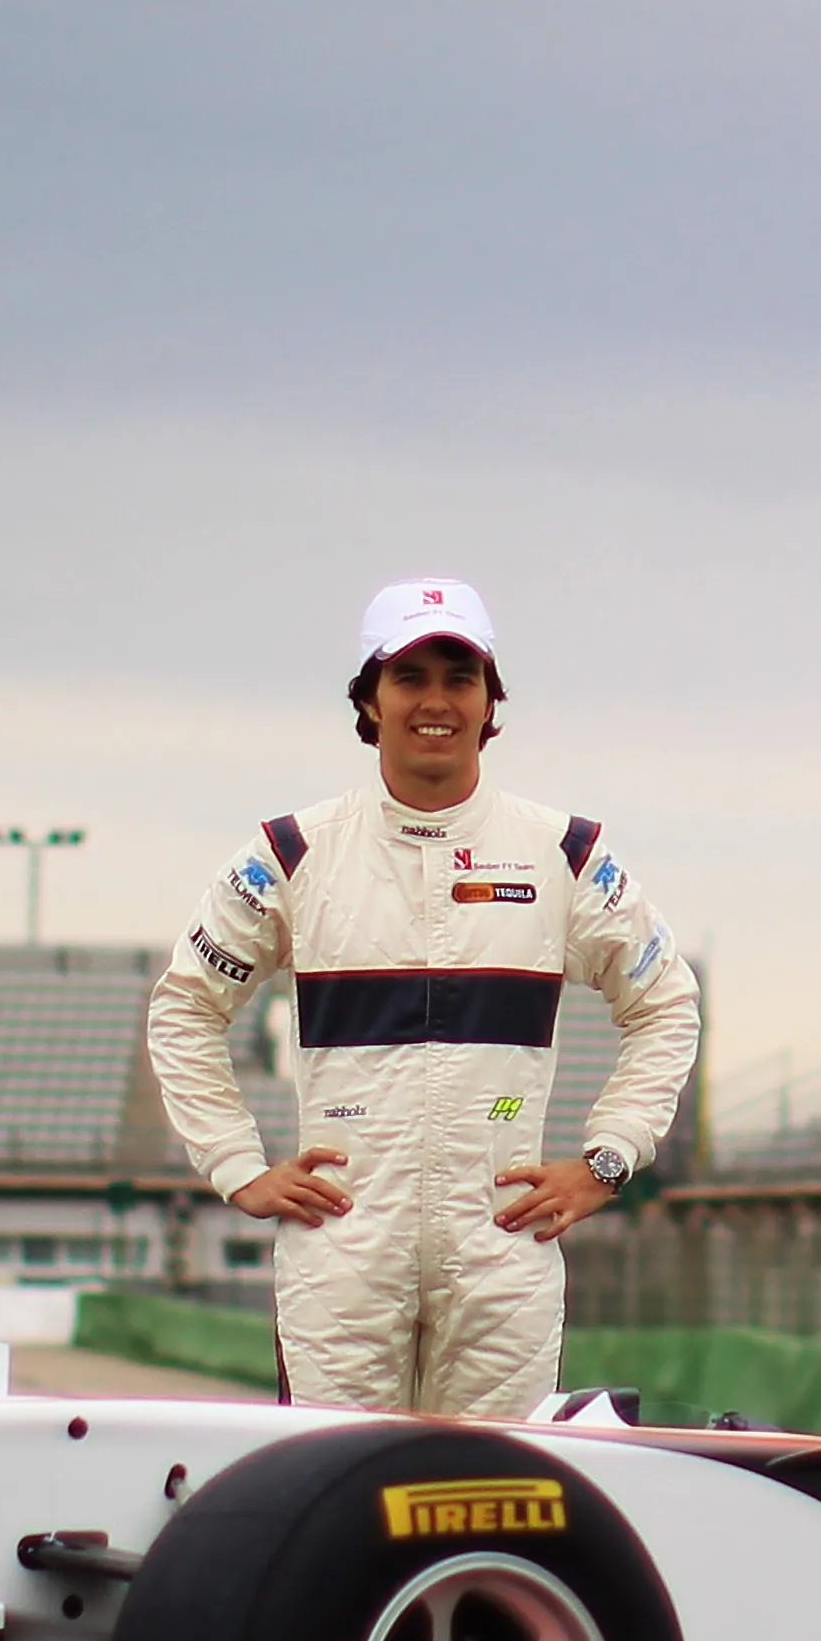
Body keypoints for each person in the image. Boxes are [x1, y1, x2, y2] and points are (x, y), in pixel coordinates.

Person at [141, 577, 703, 1417]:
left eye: (459, 676)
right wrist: (237, 1167)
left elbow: (666, 1005)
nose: (434, 701)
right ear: (369, 700)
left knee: (493, 1501)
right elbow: (184, 1009)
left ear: (489, 702)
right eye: (409, 677)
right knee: (334, 1500)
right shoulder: (291, 853)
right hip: (343, 1250)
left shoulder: (565, 854)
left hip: (502, 1249)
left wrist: (606, 1161)